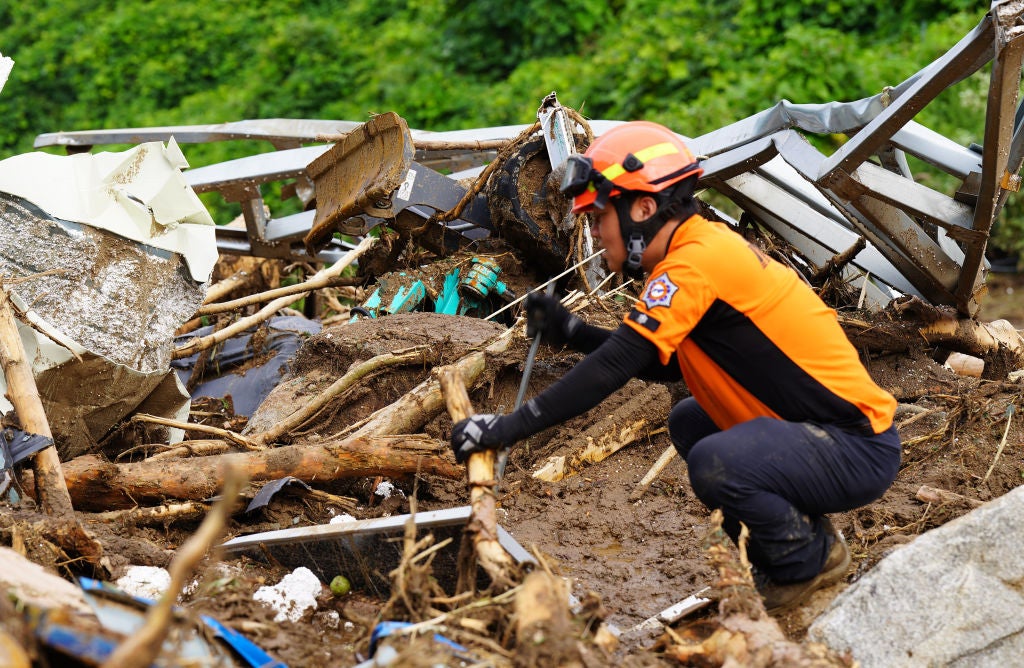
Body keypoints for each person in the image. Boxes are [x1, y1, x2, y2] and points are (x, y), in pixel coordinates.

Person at [450, 121, 901, 613]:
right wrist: (574, 332)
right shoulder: (696, 251)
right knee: (691, 420)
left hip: (854, 446)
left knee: (718, 462)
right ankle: (796, 542)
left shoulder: (694, 263)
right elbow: (665, 366)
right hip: (824, 436)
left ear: (643, 207)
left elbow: (619, 364)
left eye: (600, 217)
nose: (597, 232)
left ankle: (805, 563)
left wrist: (508, 427)